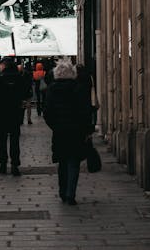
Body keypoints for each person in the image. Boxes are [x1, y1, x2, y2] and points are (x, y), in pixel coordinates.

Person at [43, 58, 93, 205]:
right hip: (76, 131)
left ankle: (62, 191)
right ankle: (71, 194)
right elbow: (84, 111)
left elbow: (47, 112)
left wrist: (54, 126)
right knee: (73, 162)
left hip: (59, 132)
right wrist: (86, 129)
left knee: (62, 162)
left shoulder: (52, 89)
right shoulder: (78, 88)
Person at [0, 56, 30, 176]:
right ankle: (14, 165)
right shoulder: (19, 78)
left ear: (5, 65)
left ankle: (3, 164)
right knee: (14, 139)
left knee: (2, 139)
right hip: (15, 112)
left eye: (1, 64)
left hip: (1, 113)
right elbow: (25, 93)